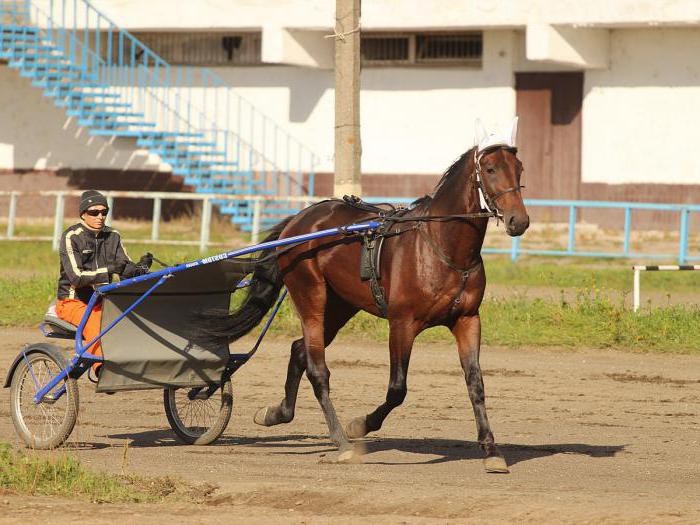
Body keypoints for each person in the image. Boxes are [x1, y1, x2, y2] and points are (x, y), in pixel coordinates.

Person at [56, 190, 153, 370]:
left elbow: (125, 270)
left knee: (132, 318)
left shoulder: (113, 236)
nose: (100, 217)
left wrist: (140, 269)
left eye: (104, 212)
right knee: (95, 321)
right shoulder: (71, 236)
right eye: (94, 212)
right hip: (72, 301)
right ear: (83, 214)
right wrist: (108, 270)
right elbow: (76, 278)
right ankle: (101, 368)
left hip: (102, 300)